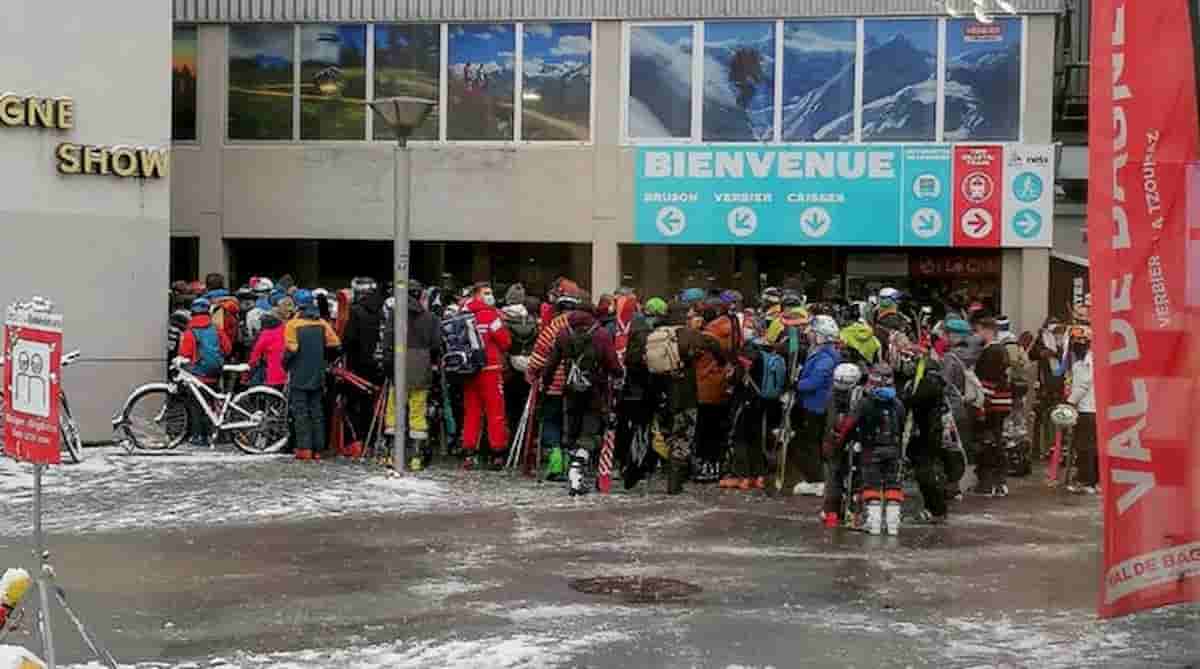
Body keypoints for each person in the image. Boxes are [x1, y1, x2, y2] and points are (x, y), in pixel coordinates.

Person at [541, 296, 620, 492]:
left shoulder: (563, 333)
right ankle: (576, 470)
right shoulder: (601, 334)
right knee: (591, 433)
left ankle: (575, 473)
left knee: (573, 432)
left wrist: (546, 383)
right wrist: (618, 375)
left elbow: (551, 364)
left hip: (570, 390)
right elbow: (612, 364)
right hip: (595, 391)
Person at [652, 302, 720, 495]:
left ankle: (670, 470)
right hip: (685, 394)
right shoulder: (690, 334)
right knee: (682, 437)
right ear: (683, 317)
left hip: (662, 395)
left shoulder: (656, 335)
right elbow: (715, 347)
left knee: (667, 435)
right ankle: (675, 482)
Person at [839, 364, 906, 535]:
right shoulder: (897, 403)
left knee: (872, 485)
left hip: (870, 449)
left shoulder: (865, 402)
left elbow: (849, 425)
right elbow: (903, 425)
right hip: (893, 449)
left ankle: (873, 523)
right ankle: (893, 524)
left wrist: (842, 440)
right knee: (893, 485)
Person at [382, 280, 442, 470]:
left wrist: (387, 365)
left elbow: (388, 342)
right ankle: (416, 455)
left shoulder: (395, 315)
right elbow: (436, 346)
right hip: (421, 365)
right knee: (418, 411)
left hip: (399, 364)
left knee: (394, 409)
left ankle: (391, 452)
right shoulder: (431, 318)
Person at [527, 290, 583, 479]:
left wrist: (532, 373)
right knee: (574, 424)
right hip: (579, 385)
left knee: (551, 421)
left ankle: (555, 464)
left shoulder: (551, 328)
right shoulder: (585, 327)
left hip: (554, 385)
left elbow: (538, 358)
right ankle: (572, 464)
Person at [284, 290, 341, 460]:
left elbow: (291, 350)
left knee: (301, 412)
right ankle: (319, 449)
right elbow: (335, 344)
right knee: (317, 411)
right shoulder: (322, 323)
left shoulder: (292, 325)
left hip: (299, 373)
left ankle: (304, 448)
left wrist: (285, 364)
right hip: (318, 374)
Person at [461, 283, 512, 469]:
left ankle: (469, 452)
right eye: (486, 293)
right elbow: (505, 342)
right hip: (490, 369)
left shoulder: (462, 314)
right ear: (477, 295)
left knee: (472, 412)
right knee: (495, 411)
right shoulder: (492, 316)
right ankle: (497, 453)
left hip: (468, 370)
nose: (490, 296)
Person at [792, 315, 842, 496]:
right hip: (815, 403)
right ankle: (816, 477)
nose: (809, 335)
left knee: (809, 443)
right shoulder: (820, 352)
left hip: (817, 405)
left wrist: (796, 384)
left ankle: (816, 479)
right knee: (810, 442)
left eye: (813, 332)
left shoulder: (826, 357)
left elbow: (815, 381)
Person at [178, 297, 233, 447]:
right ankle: (215, 433)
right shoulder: (216, 329)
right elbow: (228, 349)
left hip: (197, 375)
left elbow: (184, 355)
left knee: (196, 405)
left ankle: (198, 436)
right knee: (213, 403)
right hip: (215, 373)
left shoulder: (190, 332)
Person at [694, 297, 738, 482]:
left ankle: (707, 465)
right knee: (719, 428)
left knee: (705, 429)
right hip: (722, 386)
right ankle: (717, 465)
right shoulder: (733, 330)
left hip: (705, 387)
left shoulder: (707, 335)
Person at [973, 315, 1012, 496]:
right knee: (996, 439)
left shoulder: (992, 351)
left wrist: (981, 402)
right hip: (1001, 401)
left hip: (992, 403)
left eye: (978, 330)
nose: (977, 334)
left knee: (989, 441)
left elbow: (988, 380)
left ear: (986, 330)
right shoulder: (1001, 350)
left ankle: (990, 482)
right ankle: (998, 481)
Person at [501, 302, 538, 455]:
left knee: (509, 410)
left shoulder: (504, 322)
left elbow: (503, 344)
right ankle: (525, 446)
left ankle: (509, 445)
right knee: (527, 409)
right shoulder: (532, 322)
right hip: (528, 370)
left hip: (509, 372)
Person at [1065, 326, 1097, 494]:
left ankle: (1086, 481)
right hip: (1092, 408)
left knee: (1085, 447)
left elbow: (1083, 385)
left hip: (1086, 409)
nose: (1077, 345)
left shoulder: (1085, 362)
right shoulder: (1091, 360)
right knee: (1091, 447)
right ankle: (1092, 480)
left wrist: (1069, 402)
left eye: (1081, 342)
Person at [202, 273, 243, 362]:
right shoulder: (233, 301)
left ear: (207, 286)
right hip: (232, 345)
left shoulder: (205, 303)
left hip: (213, 347)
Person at [248, 310, 287, 391]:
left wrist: (250, 366)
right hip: (289, 371)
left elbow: (255, 354)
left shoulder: (265, 334)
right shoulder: (284, 328)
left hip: (274, 374)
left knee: (255, 383)